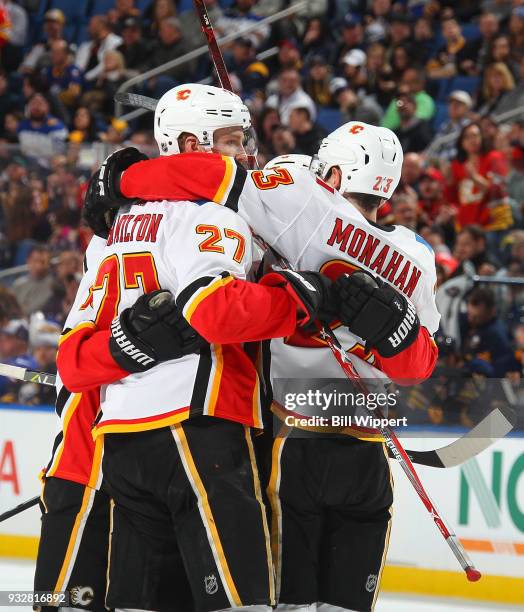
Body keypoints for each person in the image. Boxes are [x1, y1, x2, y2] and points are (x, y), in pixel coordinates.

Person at [100, 120, 440, 611]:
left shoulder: (302, 197)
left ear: (336, 172)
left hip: (291, 446)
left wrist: (122, 182)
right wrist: (398, 333)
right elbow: (419, 365)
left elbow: (206, 177)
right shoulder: (416, 256)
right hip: (368, 455)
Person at [59, 84, 347, 612]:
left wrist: (125, 349)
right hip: (198, 427)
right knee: (240, 602)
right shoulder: (213, 216)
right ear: (193, 143)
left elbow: (72, 363)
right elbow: (215, 311)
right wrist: (298, 300)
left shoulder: (117, 229)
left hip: (122, 443)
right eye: (234, 140)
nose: (244, 154)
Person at [11, 244, 56, 315]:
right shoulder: (18, 284)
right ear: (28, 261)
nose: (38, 266)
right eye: (35, 261)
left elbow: (35, 308)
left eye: (42, 262)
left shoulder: (53, 285)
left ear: (48, 264)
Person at [433, 90, 472, 161]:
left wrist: (437, 159)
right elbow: (434, 146)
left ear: (467, 109)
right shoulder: (445, 125)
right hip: (437, 162)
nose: (454, 106)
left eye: (458, 104)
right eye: (451, 103)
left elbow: (461, 151)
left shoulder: (468, 127)